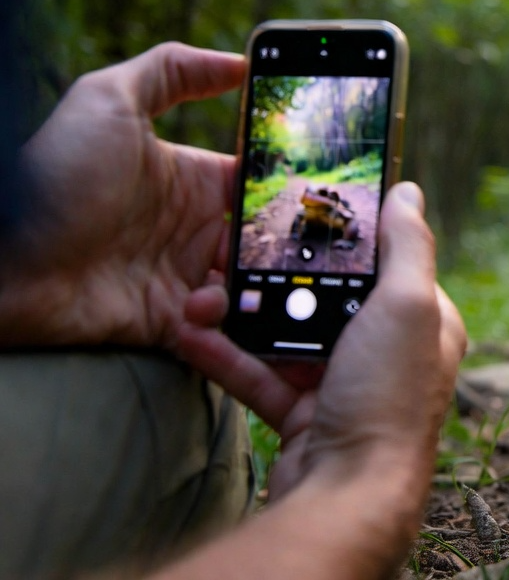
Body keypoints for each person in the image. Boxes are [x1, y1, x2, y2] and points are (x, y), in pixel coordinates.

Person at [0, 43, 467, 578]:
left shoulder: (328, 209)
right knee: (184, 392)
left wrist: (29, 267)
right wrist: (364, 471)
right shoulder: (310, 211)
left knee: (173, 372)